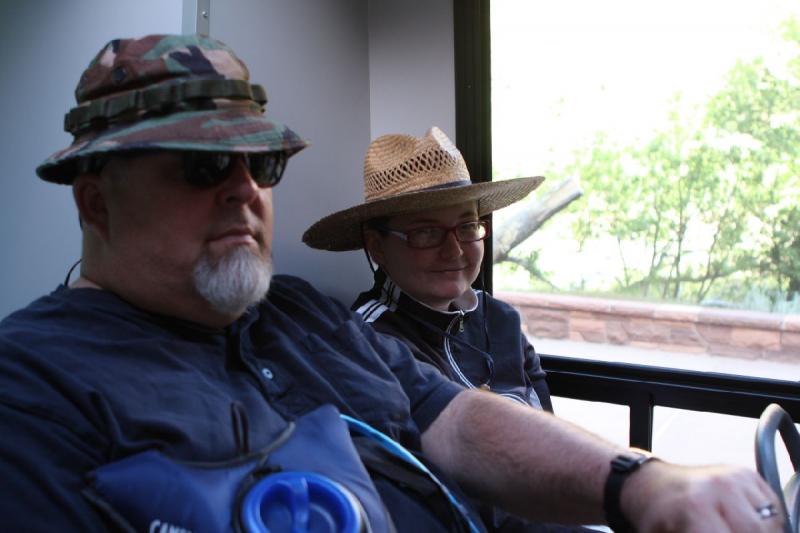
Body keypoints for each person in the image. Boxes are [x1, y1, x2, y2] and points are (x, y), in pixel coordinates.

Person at [0, 33, 784, 533]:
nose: (244, 190)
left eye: (261, 164)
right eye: (203, 166)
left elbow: (455, 420)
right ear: (95, 199)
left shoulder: (300, 315)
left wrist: (637, 483)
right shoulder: (32, 384)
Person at [304, 127, 551, 415]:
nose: (454, 250)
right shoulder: (369, 343)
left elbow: (552, 432)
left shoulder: (500, 320)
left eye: (467, 226)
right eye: (426, 232)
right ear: (377, 247)